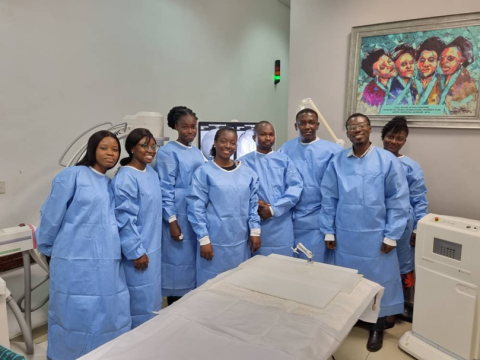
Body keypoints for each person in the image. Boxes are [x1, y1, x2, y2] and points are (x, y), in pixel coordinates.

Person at [36, 131, 131, 360]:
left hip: (106, 259)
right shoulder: (72, 176)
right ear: (92, 150)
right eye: (104, 148)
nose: (110, 153)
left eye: (115, 149)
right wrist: (47, 248)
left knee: (106, 309)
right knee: (73, 311)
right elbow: (51, 215)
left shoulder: (110, 184)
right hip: (73, 259)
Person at [319, 113, 410, 352]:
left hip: (376, 237)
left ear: (370, 129)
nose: (356, 130)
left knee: (378, 282)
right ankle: (349, 321)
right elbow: (329, 197)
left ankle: (377, 327)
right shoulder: (338, 161)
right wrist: (329, 231)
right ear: (347, 132)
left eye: (361, 126)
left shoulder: (387, 161)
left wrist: (391, 235)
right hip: (346, 236)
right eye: (351, 127)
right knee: (349, 280)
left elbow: (398, 199)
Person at [187, 127, 261, 286]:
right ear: (215, 143)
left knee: (237, 283)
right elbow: (196, 207)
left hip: (241, 242)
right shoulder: (204, 172)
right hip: (214, 241)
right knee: (211, 286)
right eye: (223, 141)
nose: (228, 146)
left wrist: (255, 230)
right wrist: (204, 238)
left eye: (232, 142)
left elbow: (253, 203)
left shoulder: (247, 173)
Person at [112, 128, 163, 328]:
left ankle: (151, 334)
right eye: (144, 145)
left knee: (152, 297)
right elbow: (124, 218)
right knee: (139, 297)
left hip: (153, 246)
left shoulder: (150, 173)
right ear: (132, 148)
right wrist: (135, 251)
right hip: (139, 251)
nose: (150, 150)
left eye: (153, 146)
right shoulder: (126, 177)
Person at [155, 106, 205, 305]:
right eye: (185, 127)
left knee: (191, 262)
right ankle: (174, 306)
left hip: (195, 212)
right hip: (178, 212)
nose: (191, 131)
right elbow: (165, 188)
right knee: (177, 262)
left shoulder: (197, 152)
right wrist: (172, 220)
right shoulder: (168, 152)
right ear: (176, 126)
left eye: (193, 127)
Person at [278, 109, 342, 263]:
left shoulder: (332, 151)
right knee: (292, 265)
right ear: (296, 126)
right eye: (302, 123)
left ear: (317, 125)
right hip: (291, 217)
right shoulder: (285, 149)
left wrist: (329, 227)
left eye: (311, 122)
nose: (307, 126)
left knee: (317, 264)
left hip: (319, 218)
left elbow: (335, 190)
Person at [382, 117, 428, 326]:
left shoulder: (411, 166)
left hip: (403, 225)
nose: (394, 141)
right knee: (378, 264)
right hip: (374, 221)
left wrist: (417, 229)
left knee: (400, 265)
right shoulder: (373, 160)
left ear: (405, 141)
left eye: (399, 138)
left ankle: (395, 308)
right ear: (383, 136)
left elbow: (419, 199)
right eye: (391, 136)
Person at [238, 121, 303, 256]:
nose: (268, 138)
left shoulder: (284, 160)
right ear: (254, 137)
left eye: (271, 134)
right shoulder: (243, 162)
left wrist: (274, 209)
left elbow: (295, 187)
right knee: (258, 266)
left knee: (282, 265)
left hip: (282, 223)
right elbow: (238, 191)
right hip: (256, 222)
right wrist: (255, 203)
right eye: (263, 134)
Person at [439, 36, 478, 115]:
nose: (443, 62)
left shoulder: (467, 84)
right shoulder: (440, 79)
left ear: (462, 60)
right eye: (441, 58)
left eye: (450, 58)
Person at [359, 48, 398, 114]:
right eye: (382, 67)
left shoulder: (403, 80)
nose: (389, 66)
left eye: (389, 61)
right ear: (375, 73)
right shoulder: (369, 90)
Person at [414, 37, 445, 105]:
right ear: (417, 62)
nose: (425, 64)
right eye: (422, 60)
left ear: (438, 62)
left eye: (431, 60)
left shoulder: (443, 82)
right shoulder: (411, 83)